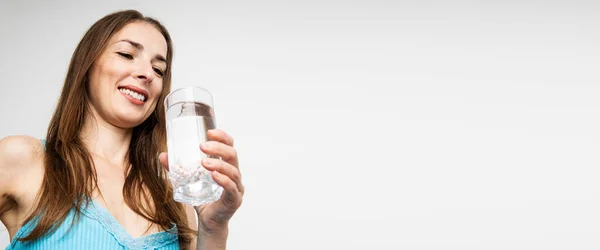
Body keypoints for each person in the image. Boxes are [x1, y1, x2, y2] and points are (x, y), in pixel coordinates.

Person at [0, 9, 244, 250]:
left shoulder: (174, 201)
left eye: (159, 69)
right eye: (126, 54)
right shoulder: (22, 159)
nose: (147, 73)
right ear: (88, 64)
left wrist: (214, 228)